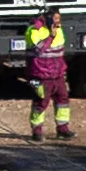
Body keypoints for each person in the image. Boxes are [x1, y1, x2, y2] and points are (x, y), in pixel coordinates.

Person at [22, 9, 71, 140]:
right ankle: (37, 131)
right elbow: (39, 49)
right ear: (48, 19)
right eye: (56, 18)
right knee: (40, 103)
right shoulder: (34, 30)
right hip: (41, 75)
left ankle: (63, 129)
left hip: (57, 74)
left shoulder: (58, 29)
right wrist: (51, 37)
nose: (59, 21)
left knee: (63, 101)